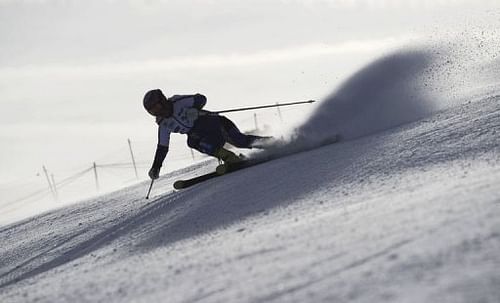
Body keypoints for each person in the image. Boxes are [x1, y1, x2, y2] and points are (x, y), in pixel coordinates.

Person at [143, 89, 270, 180]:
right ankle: (230, 158)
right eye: (153, 111)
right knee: (192, 141)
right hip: (202, 135)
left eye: (158, 108)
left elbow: (201, 98)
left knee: (241, 141)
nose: (158, 112)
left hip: (215, 123)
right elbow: (162, 147)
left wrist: (194, 109)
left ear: (163, 101)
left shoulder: (178, 102)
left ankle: (273, 143)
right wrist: (156, 167)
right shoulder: (164, 124)